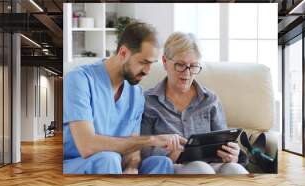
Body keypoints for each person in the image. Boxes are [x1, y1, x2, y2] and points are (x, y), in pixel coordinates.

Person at [63, 22, 186, 175]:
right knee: (108, 159)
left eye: (151, 64)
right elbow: (86, 145)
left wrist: (131, 167)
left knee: (161, 163)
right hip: (77, 163)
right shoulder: (79, 80)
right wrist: (151, 140)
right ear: (123, 53)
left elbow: (132, 149)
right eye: (143, 62)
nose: (147, 71)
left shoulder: (136, 94)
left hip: (116, 166)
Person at [141, 32, 249, 174]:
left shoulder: (210, 99)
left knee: (235, 170)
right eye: (180, 65)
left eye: (193, 66)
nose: (187, 73)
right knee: (200, 169)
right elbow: (141, 149)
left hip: (213, 165)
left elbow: (225, 141)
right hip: (173, 167)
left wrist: (233, 155)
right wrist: (169, 154)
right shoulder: (149, 101)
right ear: (165, 62)